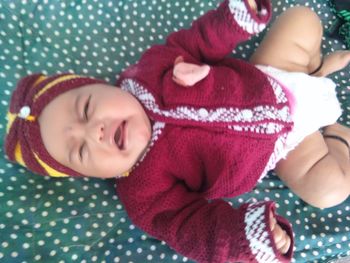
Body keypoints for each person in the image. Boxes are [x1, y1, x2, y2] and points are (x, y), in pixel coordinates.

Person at [4, 0, 350, 262]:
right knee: (328, 189)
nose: (94, 131)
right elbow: (193, 230)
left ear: (101, 85)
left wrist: (234, 18)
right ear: (88, 175)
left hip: (271, 76)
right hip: (283, 148)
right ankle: (335, 133)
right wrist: (248, 238)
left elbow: (197, 41)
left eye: (87, 108)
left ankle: (314, 71)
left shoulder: (149, 70)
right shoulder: (144, 195)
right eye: (80, 151)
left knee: (302, 17)